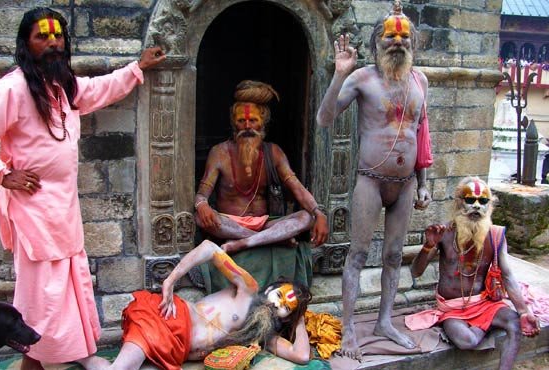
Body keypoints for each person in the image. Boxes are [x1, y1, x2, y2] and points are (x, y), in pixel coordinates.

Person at [0, 7, 166, 369]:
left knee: (60, 293)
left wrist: (137, 68)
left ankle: (48, 360)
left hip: (63, 212)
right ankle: (36, 361)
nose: (53, 42)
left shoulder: (62, 86)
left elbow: (98, 90)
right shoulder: (14, 87)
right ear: (26, 44)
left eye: (58, 35)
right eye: (43, 36)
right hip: (34, 212)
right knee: (42, 296)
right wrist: (2, 173)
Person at [315, 0, 432, 358]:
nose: (398, 42)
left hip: (406, 183)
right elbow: (324, 118)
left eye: (404, 37)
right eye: (390, 36)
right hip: (370, 179)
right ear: (376, 42)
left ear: (412, 43)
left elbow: (421, 132)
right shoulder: (362, 78)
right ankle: (349, 328)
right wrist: (338, 74)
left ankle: (384, 321)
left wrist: (424, 181)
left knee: (395, 255)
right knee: (358, 254)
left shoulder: (420, 80)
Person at [109, 239, 312, 370]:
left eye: (286, 307)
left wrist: (299, 318)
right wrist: (171, 280)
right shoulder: (248, 288)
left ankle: (80, 353)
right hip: (168, 321)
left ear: (287, 318)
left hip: (175, 353)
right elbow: (209, 248)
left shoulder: (264, 336)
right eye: (279, 295)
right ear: (269, 289)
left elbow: (302, 356)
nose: (277, 304)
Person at [407, 176, 540, 370]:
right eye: (470, 200)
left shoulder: (495, 235)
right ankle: (484, 327)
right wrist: (428, 246)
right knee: (467, 340)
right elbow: (415, 272)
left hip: (484, 304)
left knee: (515, 322)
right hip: (452, 309)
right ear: (458, 202)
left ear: (490, 205)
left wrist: (523, 311)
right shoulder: (443, 232)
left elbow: (508, 276)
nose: (476, 206)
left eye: (483, 201)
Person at [195, 80, 329, 253]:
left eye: (253, 120)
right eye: (242, 120)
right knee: (199, 217)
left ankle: (245, 242)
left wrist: (319, 213)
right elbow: (201, 195)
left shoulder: (274, 152)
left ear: (263, 122)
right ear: (234, 123)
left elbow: (297, 189)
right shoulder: (219, 152)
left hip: (265, 223)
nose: (248, 126)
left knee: (306, 217)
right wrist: (202, 205)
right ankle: (271, 239)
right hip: (230, 223)